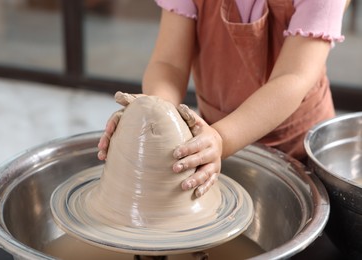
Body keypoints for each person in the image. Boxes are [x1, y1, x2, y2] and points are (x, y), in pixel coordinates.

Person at [98, 0, 350, 197]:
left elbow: (293, 78)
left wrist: (222, 138)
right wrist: (153, 112)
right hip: (213, 142)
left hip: (296, 150)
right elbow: (169, 63)